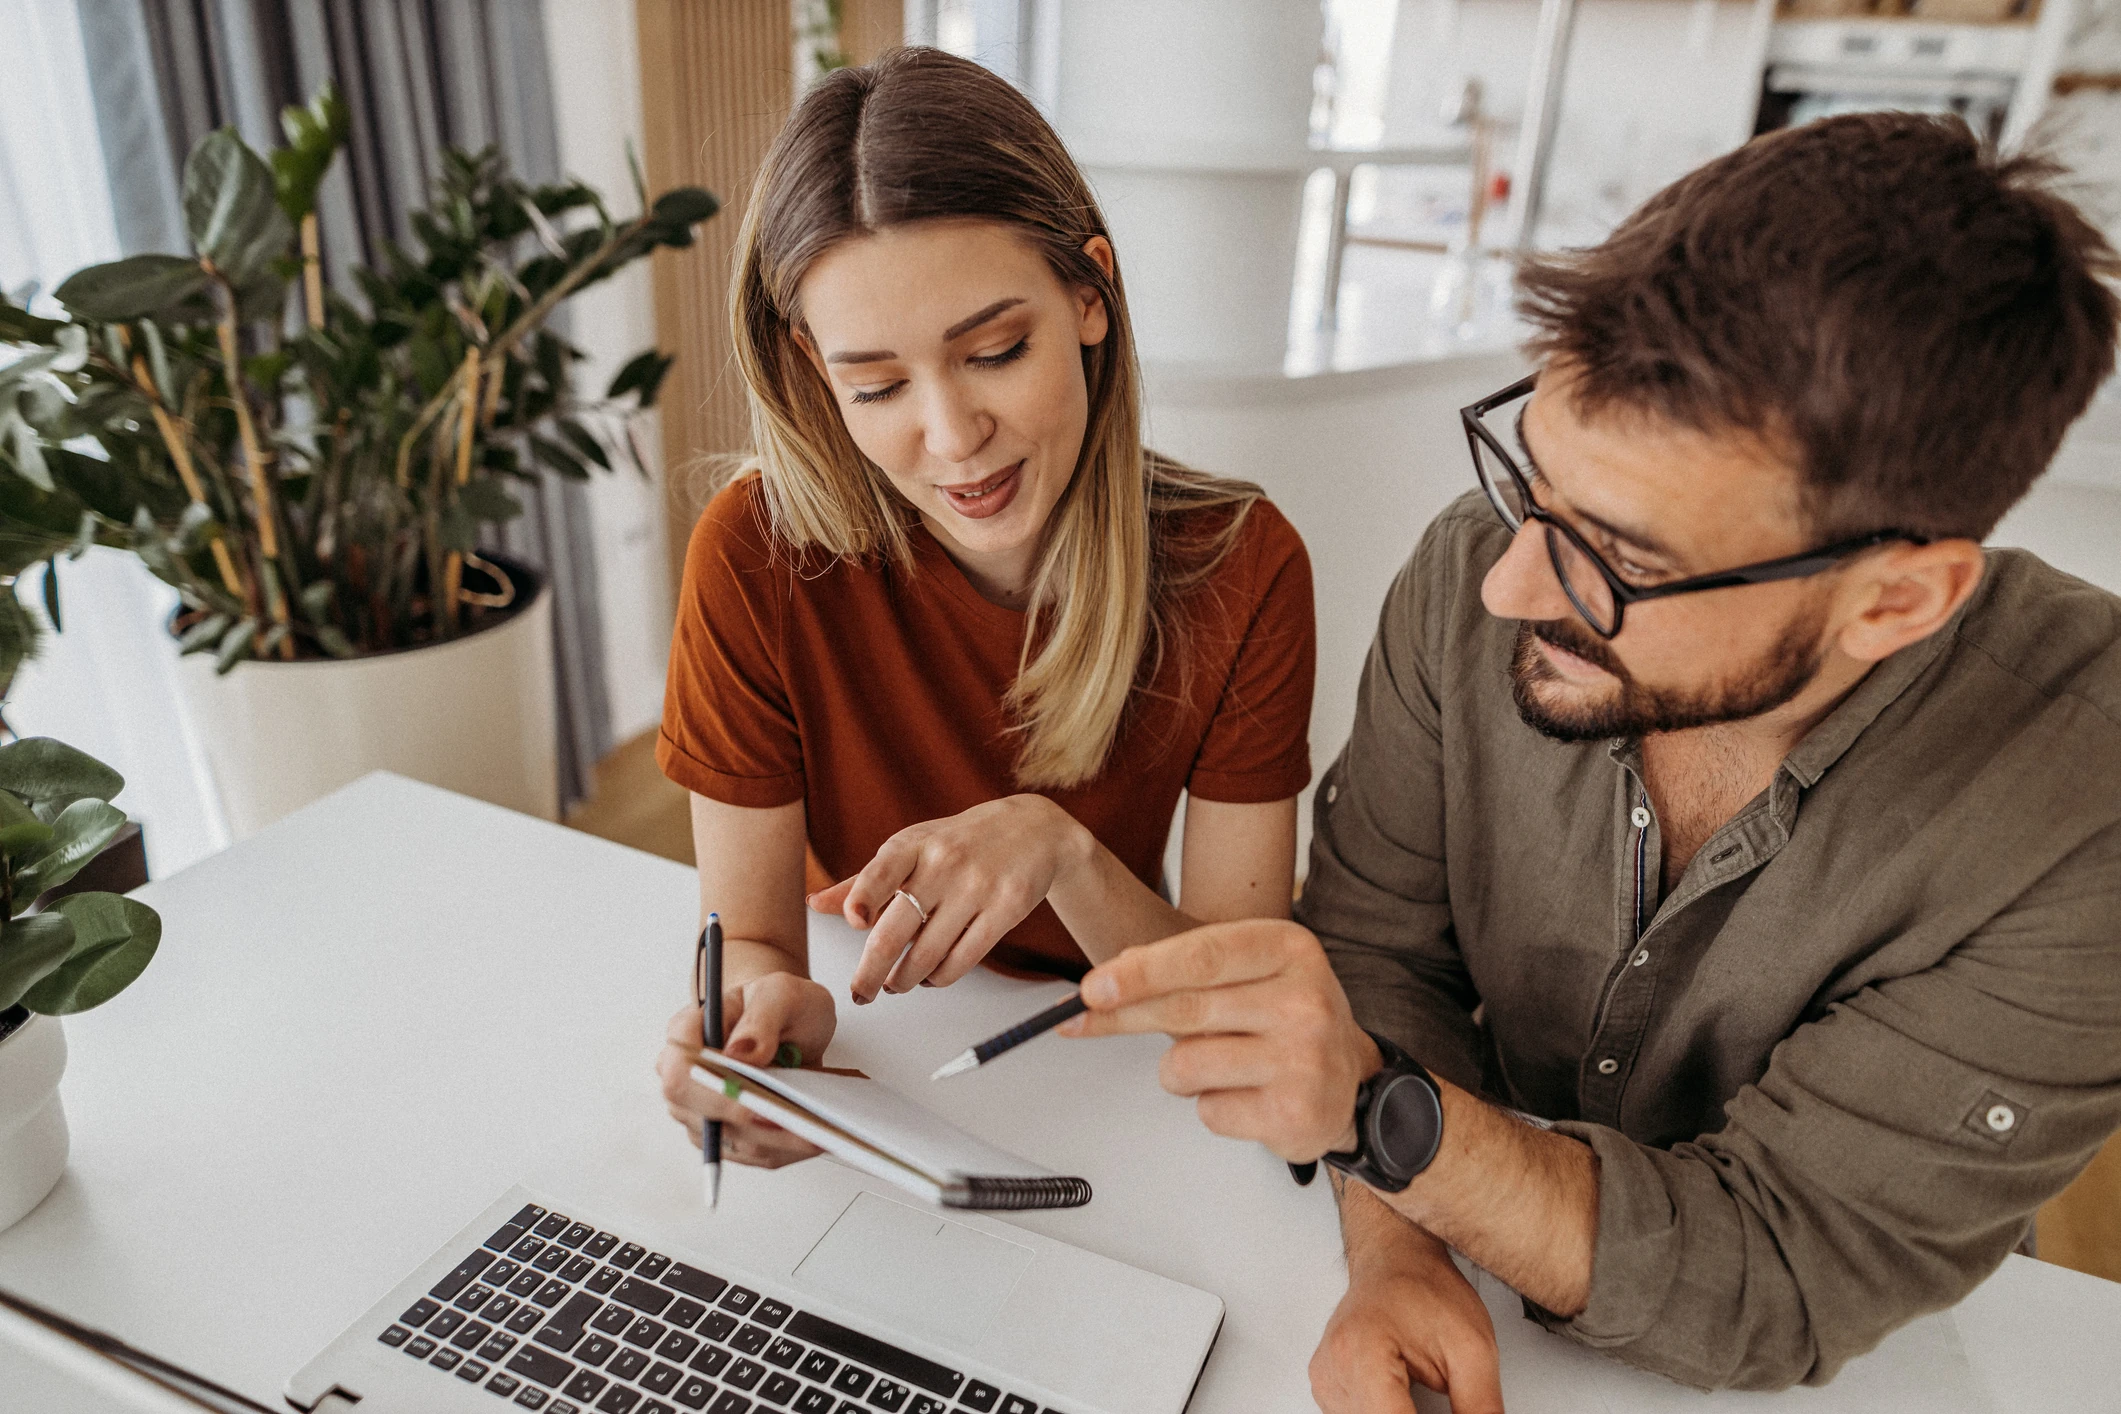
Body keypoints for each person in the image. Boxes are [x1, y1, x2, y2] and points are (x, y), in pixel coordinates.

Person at [1058, 111, 2121, 1410]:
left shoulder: (2084, 809)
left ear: (1895, 602)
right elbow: (1381, 949)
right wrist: (1397, 1248)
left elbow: (1778, 1271)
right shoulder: (1476, 567)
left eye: (1620, 559)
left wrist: (1387, 1118)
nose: (1510, 584)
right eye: (1532, 478)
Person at [653, 47, 1315, 1170]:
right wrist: (769, 1025)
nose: (953, 438)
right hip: (882, 1046)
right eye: (876, 386)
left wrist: (1063, 851)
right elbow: (756, 935)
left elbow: (1240, 998)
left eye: (997, 351)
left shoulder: (1241, 567)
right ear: (815, 371)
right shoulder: (753, 555)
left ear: (1090, 296)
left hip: (1106, 1066)